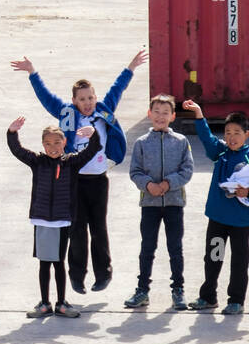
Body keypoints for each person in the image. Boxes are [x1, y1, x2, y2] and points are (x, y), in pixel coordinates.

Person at [11, 49, 147, 293]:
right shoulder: (68, 115)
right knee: (77, 228)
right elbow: (47, 98)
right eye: (82, 99)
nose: (87, 103)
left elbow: (118, 88)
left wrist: (131, 67)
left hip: (98, 180)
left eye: (90, 98)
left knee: (98, 227)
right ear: (74, 101)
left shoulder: (104, 111)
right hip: (73, 181)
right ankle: (77, 275)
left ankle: (103, 273)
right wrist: (33, 73)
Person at [7, 118, 101, 318]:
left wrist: (94, 135)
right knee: (44, 263)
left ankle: (61, 303)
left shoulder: (71, 163)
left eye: (57, 143)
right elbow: (18, 151)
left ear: (64, 142)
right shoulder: (37, 162)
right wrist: (12, 133)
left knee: (59, 262)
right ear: (43, 145)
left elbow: (92, 150)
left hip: (62, 220)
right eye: (48, 144)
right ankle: (44, 303)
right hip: (41, 220)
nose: (53, 147)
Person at [182, 101, 249, 314]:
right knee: (214, 258)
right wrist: (199, 115)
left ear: (246, 134)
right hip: (218, 220)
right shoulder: (220, 153)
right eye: (228, 132)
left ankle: (236, 301)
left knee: (238, 263)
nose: (231, 137)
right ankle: (208, 297)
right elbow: (207, 138)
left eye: (237, 132)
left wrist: (248, 193)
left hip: (239, 223)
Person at [124, 95, 194, 310]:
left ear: (173, 116)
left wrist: (167, 184)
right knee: (147, 248)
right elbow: (134, 171)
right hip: (150, 205)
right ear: (149, 114)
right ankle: (142, 290)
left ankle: (178, 290)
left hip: (174, 203)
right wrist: (148, 185)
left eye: (166, 113)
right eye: (157, 112)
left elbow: (187, 170)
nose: (161, 116)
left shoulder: (181, 142)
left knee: (175, 247)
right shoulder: (141, 143)